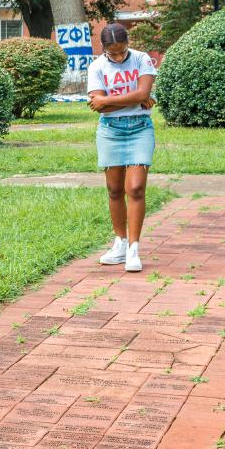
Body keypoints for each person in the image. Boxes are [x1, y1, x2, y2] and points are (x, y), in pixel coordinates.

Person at [87, 23, 158, 272]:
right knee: (114, 189)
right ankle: (120, 242)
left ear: (128, 43)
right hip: (110, 131)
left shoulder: (141, 59)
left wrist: (108, 99)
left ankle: (133, 249)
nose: (118, 57)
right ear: (103, 48)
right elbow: (101, 108)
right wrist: (135, 98)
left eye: (122, 51)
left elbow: (142, 94)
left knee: (136, 188)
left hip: (140, 128)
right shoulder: (96, 67)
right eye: (113, 53)